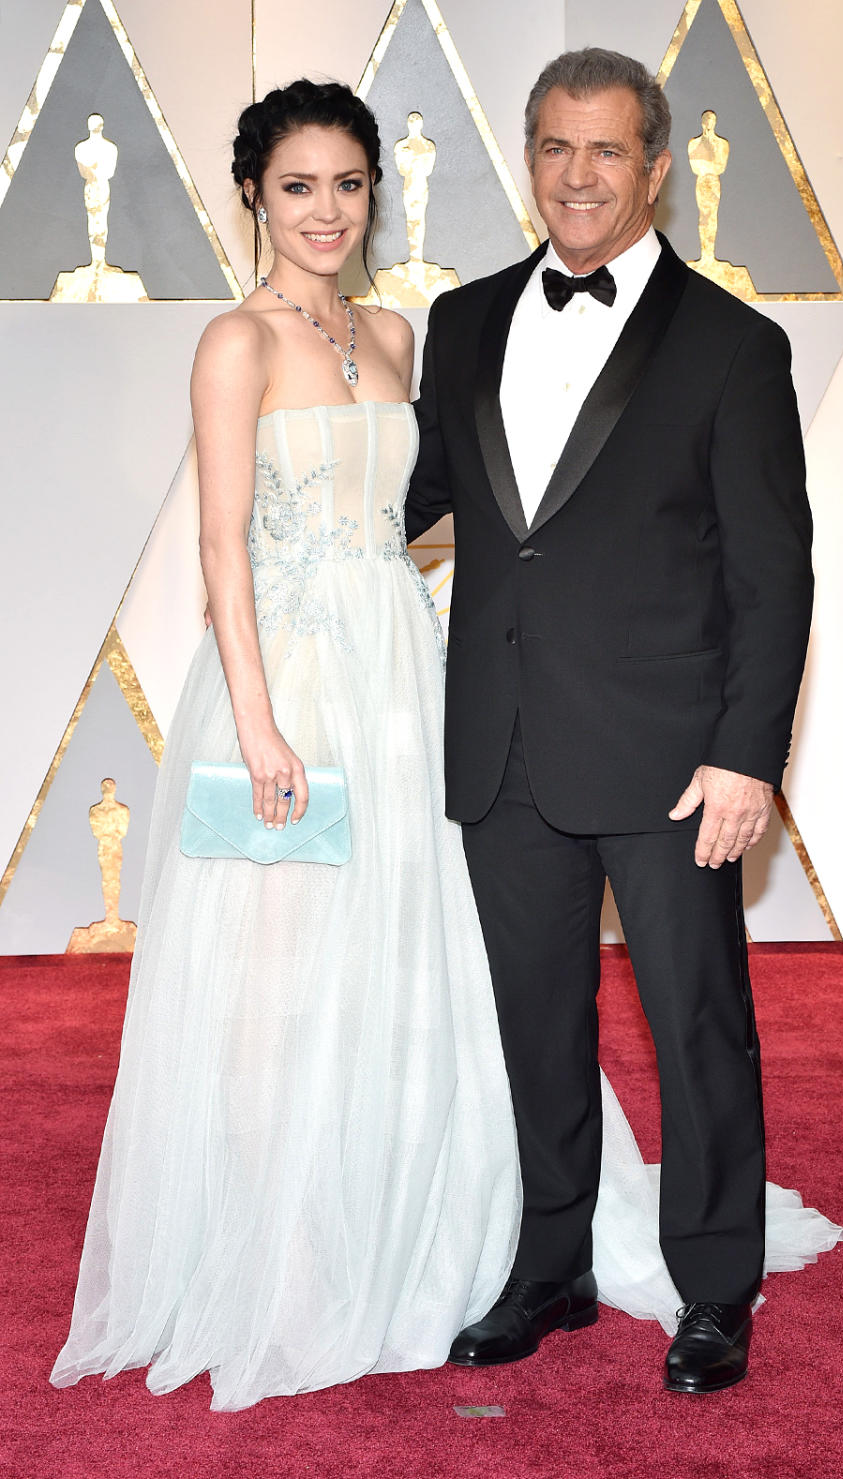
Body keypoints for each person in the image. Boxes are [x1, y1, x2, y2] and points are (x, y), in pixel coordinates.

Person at [49, 79, 523, 1411]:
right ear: (254, 194)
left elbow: (407, 511)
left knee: (407, 949)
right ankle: (289, 1256)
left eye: (350, 184)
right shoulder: (235, 344)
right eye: (300, 185)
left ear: (376, 194)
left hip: (397, 674)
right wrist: (259, 725)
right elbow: (220, 551)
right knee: (272, 973)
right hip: (293, 685)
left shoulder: (393, 327)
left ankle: (408, 1211)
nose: (327, 210)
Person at [405, 47, 834, 1393]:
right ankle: (550, 1267)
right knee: (536, 1021)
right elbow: (416, 504)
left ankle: (715, 1287)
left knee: (697, 1019)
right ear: (526, 158)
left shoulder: (732, 345)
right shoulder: (462, 321)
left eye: (606, 151)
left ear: (656, 166)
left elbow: (775, 571)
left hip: (670, 759)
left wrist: (747, 755)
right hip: (505, 744)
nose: (578, 177)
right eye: (553, 148)